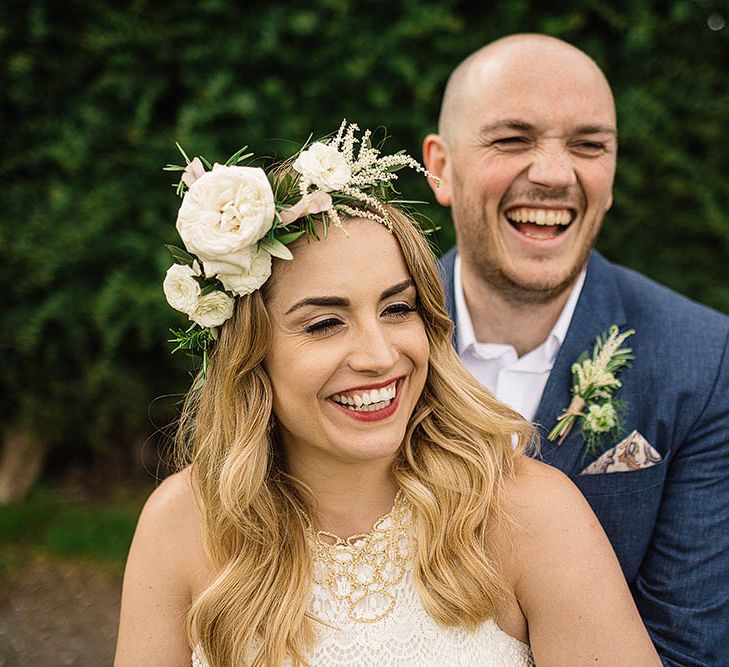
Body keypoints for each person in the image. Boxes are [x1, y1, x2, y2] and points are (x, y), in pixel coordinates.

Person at [115, 123, 659, 666]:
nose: (379, 355)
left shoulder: (530, 514)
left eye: (398, 309)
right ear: (251, 354)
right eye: (326, 322)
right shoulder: (182, 526)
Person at [422, 34, 729, 666]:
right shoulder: (371, 345)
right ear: (442, 167)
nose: (556, 174)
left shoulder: (705, 360)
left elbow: (687, 650)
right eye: (513, 139)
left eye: (589, 145)